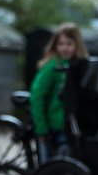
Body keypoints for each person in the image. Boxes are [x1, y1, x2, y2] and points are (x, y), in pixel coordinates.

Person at [29, 23, 89, 160]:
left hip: (72, 125)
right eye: (61, 44)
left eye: (69, 44)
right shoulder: (52, 67)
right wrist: (41, 128)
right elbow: (37, 96)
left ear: (77, 45)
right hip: (54, 125)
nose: (64, 48)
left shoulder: (81, 66)